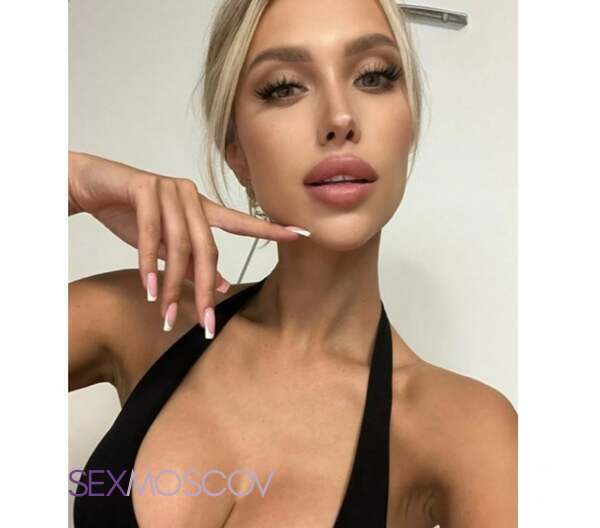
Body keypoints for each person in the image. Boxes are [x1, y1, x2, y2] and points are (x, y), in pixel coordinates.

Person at [69, 0, 517, 526]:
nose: (340, 117)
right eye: (284, 87)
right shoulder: (139, 316)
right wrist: (71, 182)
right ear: (236, 150)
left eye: (374, 76)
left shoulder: (465, 431)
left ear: (410, 124)